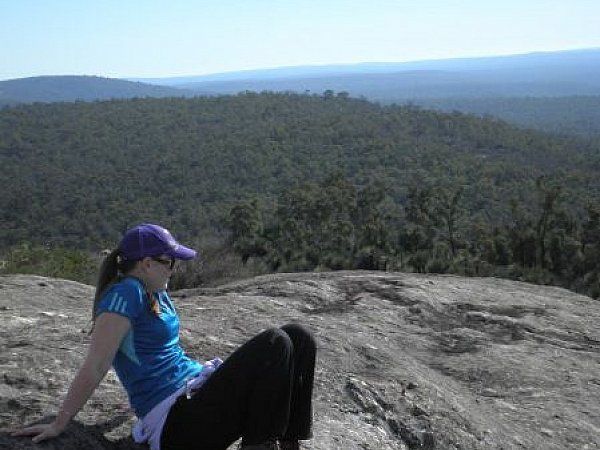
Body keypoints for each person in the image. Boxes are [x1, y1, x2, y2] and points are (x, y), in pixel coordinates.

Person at [12, 223, 317, 450]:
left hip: (194, 395)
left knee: (299, 337)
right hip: (178, 425)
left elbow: (152, 355)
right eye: (169, 262)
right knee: (275, 343)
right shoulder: (125, 295)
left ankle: (288, 441)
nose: (174, 269)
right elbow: (95, 365)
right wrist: (60, 422)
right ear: (146, 264)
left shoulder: (155, 291)